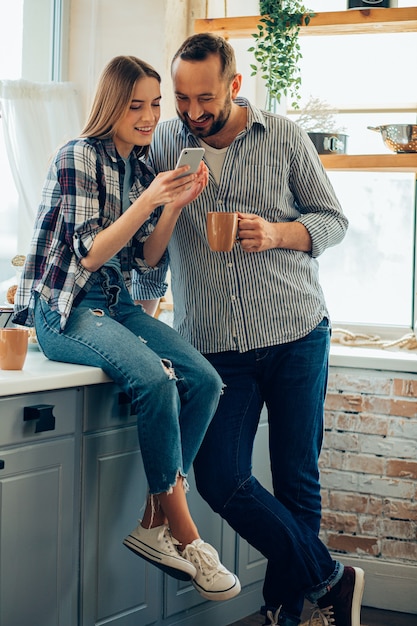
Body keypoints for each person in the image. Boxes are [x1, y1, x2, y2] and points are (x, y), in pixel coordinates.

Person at [132, 34, 365, 626]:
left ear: (234, 86)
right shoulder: (166, 141)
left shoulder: (283, 135)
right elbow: (147, 254)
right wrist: (168, 205)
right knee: (219, 476)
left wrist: (278, 232)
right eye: (181, 98)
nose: (191, 112)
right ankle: (332, 579)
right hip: (215, 349)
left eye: (204, 98)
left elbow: (334, 222)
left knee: (296, 480)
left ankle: (287, 613)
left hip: (295, 333)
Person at [12, 54, 241, 603]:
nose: (149, 116)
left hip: (115, 305)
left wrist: (172, 206)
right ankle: (184, 534)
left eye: (155, 104)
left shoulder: (139, 167)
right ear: (112, 104)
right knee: (156, 380)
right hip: (64, 309)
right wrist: (149, 199)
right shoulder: (77, 157)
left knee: (205, 382)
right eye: (136, 105)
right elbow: (90, 254)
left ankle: (155, 517)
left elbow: (146, 260)